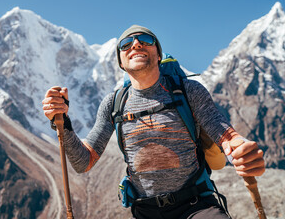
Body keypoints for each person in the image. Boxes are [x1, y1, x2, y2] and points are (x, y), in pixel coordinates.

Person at [42, 25, 265, 219]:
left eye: (145, 40)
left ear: (158, 54)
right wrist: (63, 124)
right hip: (144, 211)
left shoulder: (188, 91)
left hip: (196, 206)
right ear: (120, 62)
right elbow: (84, 162)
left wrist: (240, 148)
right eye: (126, 44)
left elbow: (223, 132)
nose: (136, 44)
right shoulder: (113, 104)